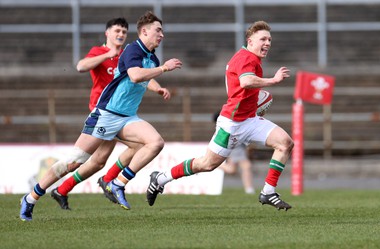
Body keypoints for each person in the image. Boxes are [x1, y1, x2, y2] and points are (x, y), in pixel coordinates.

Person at [19, 11, 183, 221]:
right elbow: (134, 75)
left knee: (155, 142)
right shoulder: (134, 49)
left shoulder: (152, 58)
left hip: (127, 117)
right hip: (106, 114)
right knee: (74, 162)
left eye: (162, 30)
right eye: (158, 30)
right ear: (144, 31)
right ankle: (31, 198)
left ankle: (117, 183)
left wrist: (158, 85)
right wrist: (164, 68)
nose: (162, 34)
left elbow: (144, 77)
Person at [146, 20, 294, 211]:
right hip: (231, 124)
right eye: (262, 39)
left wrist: (259, 100)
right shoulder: (246, 58)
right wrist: (273, 80)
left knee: (285, 142)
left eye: (269, 40)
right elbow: (245, 81)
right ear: (250, 41)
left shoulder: (251, 58)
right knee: (206, 164)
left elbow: (244, 87)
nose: (267, 43)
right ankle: (161, 178)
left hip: (249, 119)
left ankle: (268, 191)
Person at [49, 17, 137, 210]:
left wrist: (158, 88)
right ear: (107, 33)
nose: (121, 34)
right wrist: (107, 55)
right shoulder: (99, 52)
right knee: (139, 145)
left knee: (98, 161)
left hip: (118, 112)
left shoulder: (126, 55)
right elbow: (81, 66)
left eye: (124, 32)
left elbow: (136, 75)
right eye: (117, 31)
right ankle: (107, 180)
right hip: (102, 112)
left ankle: (62, 190)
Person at [212, 111, 255, 194]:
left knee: (232, 170)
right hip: (235, 146)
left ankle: (215, 164)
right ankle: (249, 189)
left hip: (236, 145)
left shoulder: (224, 124)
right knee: (246, 166)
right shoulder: (225, 125)